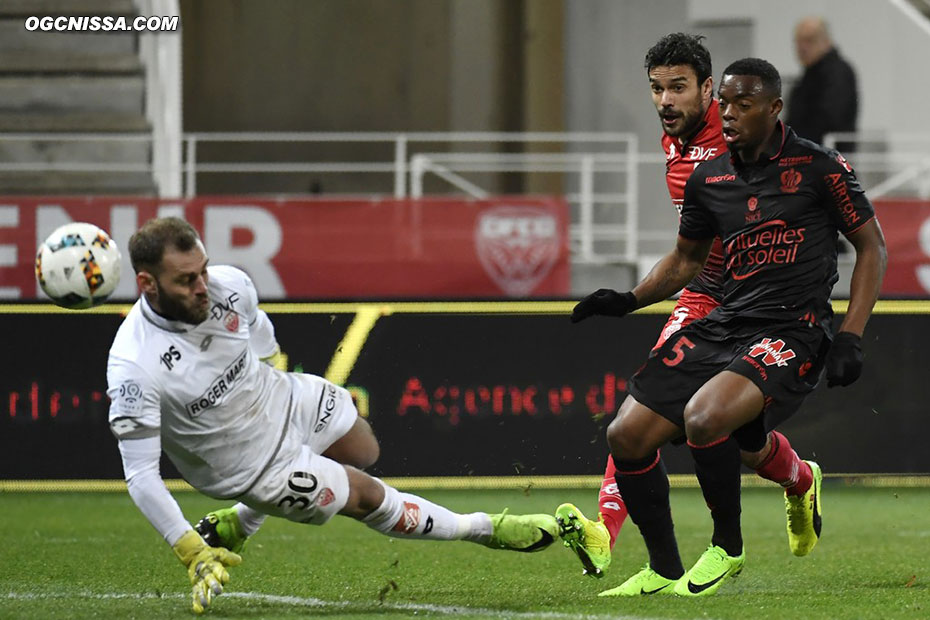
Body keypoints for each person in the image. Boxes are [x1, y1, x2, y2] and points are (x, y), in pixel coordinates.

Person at [106, 217, 559, 614]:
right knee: (364, 497)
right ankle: (483, 528)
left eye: (203, 270)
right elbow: (141, 475)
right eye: (187, 280)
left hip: (277, 398)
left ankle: (237, 523)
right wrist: (190, 550)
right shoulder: (134, 366)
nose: (203, 286)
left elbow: (259, 330)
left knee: (364, 447)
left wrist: (270, 367)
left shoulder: (228, 285)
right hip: (246, 463)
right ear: (148, 284)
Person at [569, 57, 886, 597]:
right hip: (725, 322)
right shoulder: (708, 178)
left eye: (743, 104)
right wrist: (628, 299)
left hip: (795, 329)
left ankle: (727, 548)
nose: (731, 115)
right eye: (726, 106)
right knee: (625, 434)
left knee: (703, 417)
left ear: (774, 108)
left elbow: (872, 247)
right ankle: (664, 567)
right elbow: (686, 262)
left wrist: (851, 335)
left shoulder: (819, 167)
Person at [787, 17, 858, 152]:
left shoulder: (837, 74)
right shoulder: (808, 76)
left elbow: (829, 119)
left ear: (826, 41)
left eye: (809, 40)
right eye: (798, 41)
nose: (802, 47)